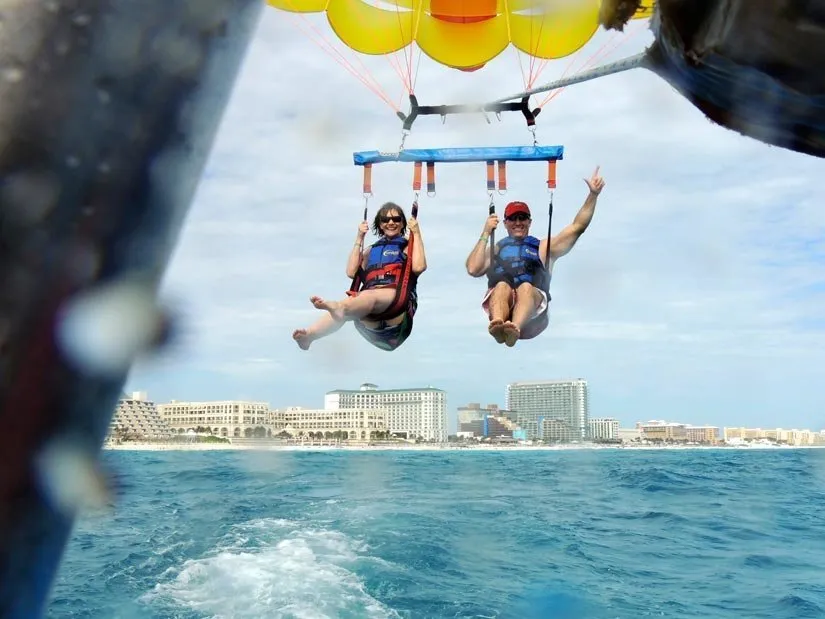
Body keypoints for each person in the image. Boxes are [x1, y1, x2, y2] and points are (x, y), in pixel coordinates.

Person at [465, 166, 606, 347]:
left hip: (533, 316)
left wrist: (593, 195)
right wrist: (486, 232)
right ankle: (499, 327)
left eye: (522, 218)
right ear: (505, 223)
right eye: (513, 218)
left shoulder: (543, 247)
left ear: (530, 222)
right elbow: (473, 268)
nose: (518, 222)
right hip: (503, 307)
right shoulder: (498, 248)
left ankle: (513, 329)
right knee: (501, 285)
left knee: (524, 285)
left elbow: (577, 227)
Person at [292, 202, 427, 351]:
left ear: (403, 223)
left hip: (396, 307)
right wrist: (359, 237)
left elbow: (419, 267)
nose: (391, 223)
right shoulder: (371, 250)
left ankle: (340, 308)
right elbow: (351, 272)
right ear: (380, 224)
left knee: (363, 299)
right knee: (354, 303)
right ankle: (309, 336)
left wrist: (416, 233)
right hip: (369, 318)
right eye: (385, 220)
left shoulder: (407, 246)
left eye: (396, 219)